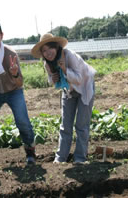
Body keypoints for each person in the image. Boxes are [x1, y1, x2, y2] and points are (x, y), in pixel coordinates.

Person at [0, 20, 36, 170]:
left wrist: (15, 74)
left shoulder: (11, 54)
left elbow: (20, 82)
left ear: (1, 35)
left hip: (14, 91)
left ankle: (30, 153)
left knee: (22, 121)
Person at [31, 33, 96, 164]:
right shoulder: (48, 64)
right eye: (44, 51)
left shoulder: (70, 56)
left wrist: (65, 69)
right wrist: (52, 79)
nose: (48, 53)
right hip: (68, 91)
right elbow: (52, 79)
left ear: (56, 47)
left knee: (81, 125)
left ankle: (80, 158)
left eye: (50, 48)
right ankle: (60, 158)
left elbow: (79, 79)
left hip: (85, 88)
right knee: (65, 125)